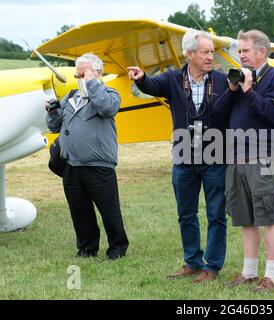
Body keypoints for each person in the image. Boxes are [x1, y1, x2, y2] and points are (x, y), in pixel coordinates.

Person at [127, 30, 229, 283]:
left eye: (211, 52)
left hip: (216, 156)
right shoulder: (173, 79)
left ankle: (212, 266)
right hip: (184, 156)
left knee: (216, 213)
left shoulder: (223, 80)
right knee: (186, 213)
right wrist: (141, 78)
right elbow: (150, 85)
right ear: (189, 54)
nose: (210, 57)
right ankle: (192, 262)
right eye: (205, 52)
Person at [214, 30, 274, 292]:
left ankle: (272, 276)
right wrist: (234, 89)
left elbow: (272, 115)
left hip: (264, 157)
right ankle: (248, 273)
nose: (241, 56)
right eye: (240, 51)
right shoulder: (237, 79)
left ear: (261, 52)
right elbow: (218, 116)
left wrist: (248, 90)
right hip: (236, 157)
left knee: (268, 216)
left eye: (245, 51)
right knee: (245, 218)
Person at [46, 53, 129, 260]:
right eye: (78, 75)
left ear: (97, 73)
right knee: (80, 211)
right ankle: (86, 248)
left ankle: (117, 249)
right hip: (71, 164)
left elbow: (107, 108)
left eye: (84, 74)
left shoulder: (109, 94)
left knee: (109, 210)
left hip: (98, 164)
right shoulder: (71, 97)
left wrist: (92, 84)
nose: (80, 78)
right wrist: (52, 111)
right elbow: (54, 126)